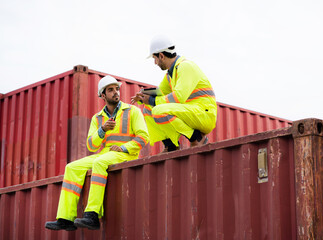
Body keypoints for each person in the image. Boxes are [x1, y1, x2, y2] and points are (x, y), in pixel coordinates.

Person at [45, 75, 149, 231]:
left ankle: (92, 215)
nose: (116, 92)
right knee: (71, 168)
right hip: (107, 153)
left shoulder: (132, 111)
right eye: (110, 90)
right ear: (102, 95)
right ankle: (65, 218)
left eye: (116, 89)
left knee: (98, 163)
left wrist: (124, 147)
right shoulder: (97, 118)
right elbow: (91, 146)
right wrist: (102, 130)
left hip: (127, 153)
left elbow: (144, 137)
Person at [131, 35, 217, 152]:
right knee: (148, 108)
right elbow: (160, 92)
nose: (155, 63)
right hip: (191, 112)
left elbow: (178, 97)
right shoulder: (171, 73)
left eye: (155, 59)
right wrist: (143, 95)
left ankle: (197, 138)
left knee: (158, 109)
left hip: (204, 113)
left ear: (161, 56)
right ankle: (171, 145)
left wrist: (152, 100)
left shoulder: (185, 66)